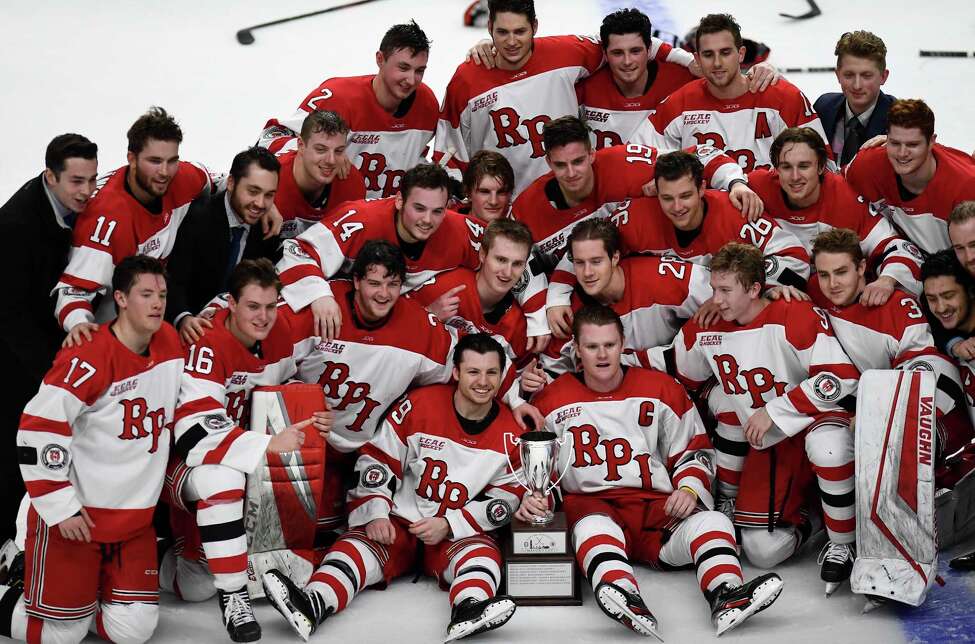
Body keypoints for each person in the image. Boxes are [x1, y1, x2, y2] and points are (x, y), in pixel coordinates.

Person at [524, 305, 783, 637]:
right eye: (591, 346)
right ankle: (623, 593)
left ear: (623, 344)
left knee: (714, 521)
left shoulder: (661, 387)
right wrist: (536, 496)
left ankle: (727, 593)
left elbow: (695, 449)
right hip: (592, 506)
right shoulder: (551, 399)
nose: (602, 354)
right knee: (593, 527)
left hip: (654, 511)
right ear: (576, 349)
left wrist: (689, 490)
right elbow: (535, 470)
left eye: (610, 345)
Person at [262, 333, 524, 642]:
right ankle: (313, 602)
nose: (483, 381)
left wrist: (450, 524)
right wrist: (376, 512)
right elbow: (378, 458)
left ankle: (469, 609)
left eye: (492, 372)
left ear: (502, 375)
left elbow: (505, 500)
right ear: (456, 372)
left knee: (482, 555)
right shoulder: (420, 404)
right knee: (355, 546)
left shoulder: (512, 432)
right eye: (473, 371)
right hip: (400, 524)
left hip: (453, 534)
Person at [0, 256, 182, 644]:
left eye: (162, 295)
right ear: (119, 298)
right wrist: (61, 506)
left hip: (132, 523)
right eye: (146, 294)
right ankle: (20, 577)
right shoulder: (88, 354)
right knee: (61, 635)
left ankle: (76, 600)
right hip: (77, 519)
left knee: (132, 632)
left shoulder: (170, 342)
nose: (157, 303)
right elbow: (37, 430)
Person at [672, 243, 859, 594]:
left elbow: (840, 377)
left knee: (828, 448)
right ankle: (815, 514)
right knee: (763, 551)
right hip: (768, 443)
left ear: (755, 288)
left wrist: (775, 411)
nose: (716, 299)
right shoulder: (709, 324)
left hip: (812, 425)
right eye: (714, 289)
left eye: (726, 290)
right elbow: (682, 372)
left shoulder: (791, 312)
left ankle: (843, 539)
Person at [167, 259, 331, 642]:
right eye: (253, 307)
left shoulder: (280, 332)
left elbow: (288, 383)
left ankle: (189, 560)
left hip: (235, 456)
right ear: (231, 303)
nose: (264, 317)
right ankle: (234, 596)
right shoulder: (205, 341)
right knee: (223, 478)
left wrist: (318, 413)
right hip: (176, 461)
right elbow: (192, 432)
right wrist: (268, 443)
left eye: (271, 306)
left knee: (196, 587)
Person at [53, 107, 281, 347]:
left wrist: (265, 203)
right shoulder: (107, 219)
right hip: (115, 338)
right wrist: (80, 326)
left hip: (159, 322)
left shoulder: (182, 177)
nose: (164, 172)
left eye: (172, 160)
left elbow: (221, 179)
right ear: (131, 158)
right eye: (154, 161)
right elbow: (73, 291)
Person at [435, 0, 694, 195]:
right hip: (502, 207)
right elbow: (449, 151)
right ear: (490, 27)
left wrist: (688, 61)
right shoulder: (467, 79)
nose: (511, 42)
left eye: (520, 31)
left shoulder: (569, 53)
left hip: (569, 200)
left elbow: (630, 40)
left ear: (535, 26)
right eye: (502, 32)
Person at [276, 163, 550, 345]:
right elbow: (297, 250)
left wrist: (538, 318)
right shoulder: (360, 219)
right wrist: (319, 296)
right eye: (419, 208)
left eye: (438, 211)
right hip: (345, 317)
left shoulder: (458, 229)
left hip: (405, 326)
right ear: (398, 201)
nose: (428, 220)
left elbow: (514, 253)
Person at [545, 151, 809, 334]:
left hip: (728, 316)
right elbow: (587, 248)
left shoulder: (735, 213)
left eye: (685, 196)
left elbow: (794, 256)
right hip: (663, 314)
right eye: (667, 198)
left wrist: (763, 289)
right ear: (655, 193)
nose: (677, 207)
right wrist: (557, 296)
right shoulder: (636, 217)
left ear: (703, 189)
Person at [0, 134, 97, 543]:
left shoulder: (83, 208)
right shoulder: (16, 227)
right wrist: (52, 371)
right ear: (50, 177)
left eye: (92, 180)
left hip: (45, 337)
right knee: (12, 446)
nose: (87, 191)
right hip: (15, 352)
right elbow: (11, 314)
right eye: (76, 182)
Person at [811, 229, 973, 472]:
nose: (832, 284)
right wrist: (775, 291)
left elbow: (924, 369)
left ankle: (944, 468)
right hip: (850, 407)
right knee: (825, 446)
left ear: (861, 267)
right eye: (824, 274)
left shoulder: (895, 304)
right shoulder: (812, 292)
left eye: (841, 272)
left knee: (930, 369)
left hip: (901, 410)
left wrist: (873, 409)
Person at [511, 115, 756, 273]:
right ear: (548, 163)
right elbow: (517, 266)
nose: (571, 172)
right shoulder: (525, 208)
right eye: (561, 165)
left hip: (646, 270)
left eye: (578, 161)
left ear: (592, 154)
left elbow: (699, 155)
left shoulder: (626, 164)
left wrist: (735, 182)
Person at [630, 13, 830, 172]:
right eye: (708, 55)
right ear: (697, 59)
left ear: (741, 54)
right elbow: (636, 158)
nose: (717, 63)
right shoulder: (678, 104)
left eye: (725, 53)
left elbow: (825, 163)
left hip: (774, 216)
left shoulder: (784, 98)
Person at [262, 21, 438, 199]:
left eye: (419, 71)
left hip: (390, 218)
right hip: (329, 215)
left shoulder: (427, 105)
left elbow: (422, 157)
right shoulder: (337, 97)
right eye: (403, 68)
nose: (411, 80)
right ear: (380, 59)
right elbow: (271, 138)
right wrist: (324, 154)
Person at [748, 127, 922, 302]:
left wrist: (887, 280)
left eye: (804, 166)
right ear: (776, 168)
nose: (795, 176)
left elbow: (897, 246)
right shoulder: (758, 188)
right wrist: (736, 185)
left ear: (822, 166)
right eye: (786, 167)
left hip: (843, 304)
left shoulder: (845, 200)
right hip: (784, 297)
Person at [540, 218, 711, 376]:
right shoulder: (565, 314)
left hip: (687, 381)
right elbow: (552, 375)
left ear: (615, 257)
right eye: (579, 263)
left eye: (596, 261)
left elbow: (726, 300)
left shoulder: (660, 279)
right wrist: (538, 380)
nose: (587, 273)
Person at [165, 147, 284, 344]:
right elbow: (173, 279)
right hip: (189, 333)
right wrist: (183, 318)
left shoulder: (268, 228)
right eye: (253, 191)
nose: (260, 203)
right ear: (231, 183)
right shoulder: (197, 218)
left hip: (236, 335)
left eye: (269, 195)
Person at [845, 99, 975, 254]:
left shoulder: (966, 185)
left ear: (932, 142)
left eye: (912, 145)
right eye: (894, 143)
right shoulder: (866, 166)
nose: (902, 153)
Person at [411, 219, 535, 368]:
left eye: (517, 264)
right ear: (482, 254)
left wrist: (527, 382)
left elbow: (521, 375)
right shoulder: (443, 287)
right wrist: (428, 315)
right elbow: (396, 330)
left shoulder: (518, 326)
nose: (507, 272)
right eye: (501, 260)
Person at [267, 110, 366, 240]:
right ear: (301, 145)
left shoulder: (352, 184)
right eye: (321, 149)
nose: (331, 160)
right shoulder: (269, 182)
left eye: (339, 151)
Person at [814, 31, 896, 166]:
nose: (857, 85)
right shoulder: (824, 107)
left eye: (866, 76)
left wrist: (899, 144)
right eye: (849, 75)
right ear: (838, 75)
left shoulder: (901, 119)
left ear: (883, 77)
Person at [460, 150, 514, 222]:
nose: (493, 202)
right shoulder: (448, 226)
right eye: (485, 192)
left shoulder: (522, 230)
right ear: (468, 193)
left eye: (501, 192)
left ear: (510, 194)